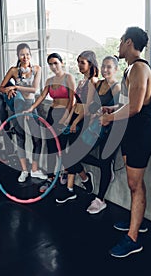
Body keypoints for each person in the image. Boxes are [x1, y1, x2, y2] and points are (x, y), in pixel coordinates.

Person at [100, 27, 151, 258]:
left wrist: (108, 118)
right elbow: (131, 103)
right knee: (134, 183)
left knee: (135, 184)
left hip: (141, 132)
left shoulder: (140, 68)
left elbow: (135, 109)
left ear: (129, 42)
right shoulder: (130, 69)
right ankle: (137, 221)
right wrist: (112, 109)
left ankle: (133, 239)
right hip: (132, 131)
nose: (119, 44)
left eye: (122, 40)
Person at [24, 53, 76, 192]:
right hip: (52, 115)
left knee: (62, 149)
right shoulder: (49, 80)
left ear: (62, 63)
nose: (53, 66)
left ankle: (64, 173)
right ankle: (50, 178)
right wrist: (31, 108)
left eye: (56, 63)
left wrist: (66, 118)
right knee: (51, 148)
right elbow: (41, 96)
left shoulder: (68, 78)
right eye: (51, 64)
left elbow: (72, 100)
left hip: (64, 115)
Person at [0, 43, 47, 182]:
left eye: (27, 54)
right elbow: (1, 87)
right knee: (20, 138)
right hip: (17, 106)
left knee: (37, 139)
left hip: (31, 106)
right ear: (18, 56)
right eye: (22, 54)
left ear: (31, 55)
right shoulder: (14, 70)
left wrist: (15, 86)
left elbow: (34, 89)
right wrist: (9, 90)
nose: (25, 57)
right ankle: (24, 170)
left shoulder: (37, 69)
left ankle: (34, 170)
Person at [55, 50, 98, 204]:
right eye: (78, 62)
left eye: (82, 62)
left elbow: (87, 106)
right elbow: (75, 103)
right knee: (69, 155)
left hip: (83, 121)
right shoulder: (81, 82)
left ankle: (71, 189)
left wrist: (74, 122)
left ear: (90, 64)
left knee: (71, 155)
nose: (79, 65)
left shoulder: (93, 81)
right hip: (74, 118)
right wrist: (67, 119)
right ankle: (84, 179)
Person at [84, 56, 121, 214]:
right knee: (79, 154)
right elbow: (91, 105)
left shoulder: (118, 87)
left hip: (112, 130)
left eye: (109, 67)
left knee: (105, 161)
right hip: (95, 127)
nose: (105, 70)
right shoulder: (98, 84)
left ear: (115, 69)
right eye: (103, 66)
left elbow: (120, 108)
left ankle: (100, 199)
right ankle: (105, 168)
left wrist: (105, 109)